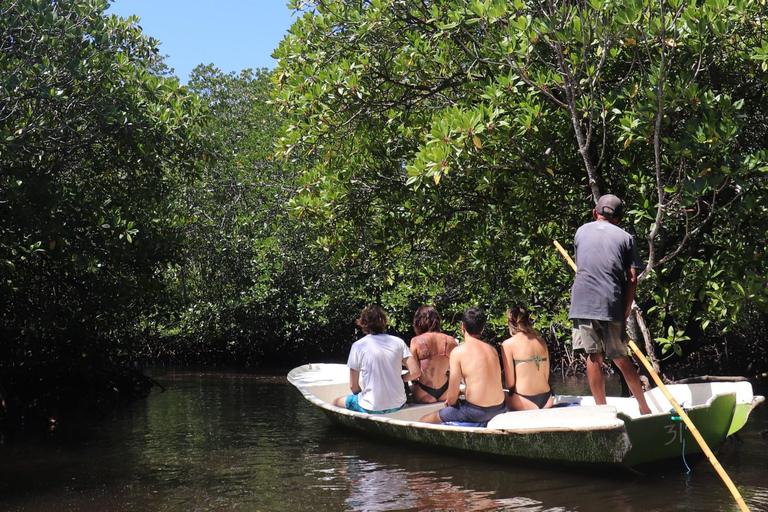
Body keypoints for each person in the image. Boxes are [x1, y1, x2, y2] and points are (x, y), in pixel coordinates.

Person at [569, 194, 652, 415]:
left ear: (595, 213)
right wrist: (626, 308)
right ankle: (644, 408)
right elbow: (632, 277)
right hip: (611, 302)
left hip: (583, 301)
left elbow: (582, 264)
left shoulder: (580, 231)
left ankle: (602, 411)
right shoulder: (626, 237)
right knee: (620, 357)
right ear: (619, 218)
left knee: (593, 356)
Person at [420, 307, 506, 425]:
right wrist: (462, 391)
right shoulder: (492, 350)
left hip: (475, 411)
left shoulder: (458, 352)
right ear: (482, 329)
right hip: (500, 408)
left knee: (423, 420)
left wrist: (454, 401)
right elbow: (484, 386)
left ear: (462, 326)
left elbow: (451, 399)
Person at [333, 305, 421, 414]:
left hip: (370, 407)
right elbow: (415, 372)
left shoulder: (358, 346)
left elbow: (353, 386)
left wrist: (364, 399)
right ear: (384, 321)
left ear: (363, 323)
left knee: (336, 402)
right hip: (399, 405)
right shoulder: (398, 342)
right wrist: (401, 378)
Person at [500, 306, 554, 410]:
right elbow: (546, 376)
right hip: (547, 399)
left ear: (509, 322)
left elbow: (510, 383)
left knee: (497, 394)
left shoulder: (507, 345)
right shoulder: (541, 341)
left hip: (523, 400)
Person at [409, 306, 459, 404]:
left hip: (424, 392)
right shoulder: (451, 341)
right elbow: (457, 371)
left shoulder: (416, 341)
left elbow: (413, 375)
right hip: (446, 390)